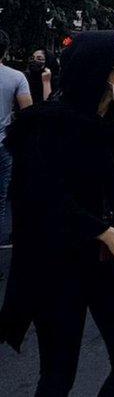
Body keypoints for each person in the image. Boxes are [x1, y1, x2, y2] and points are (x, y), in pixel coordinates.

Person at [0, 31, 114, 396]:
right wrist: (103, 232)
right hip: (60, 264)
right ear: (102, 72)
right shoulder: (45, 126)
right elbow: (39, 200)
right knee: (58, 375)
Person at [0, 32, 32, 248]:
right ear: (6, 51)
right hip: (2, 144)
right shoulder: (16, 77)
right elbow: (28, 113)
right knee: (0, 199)